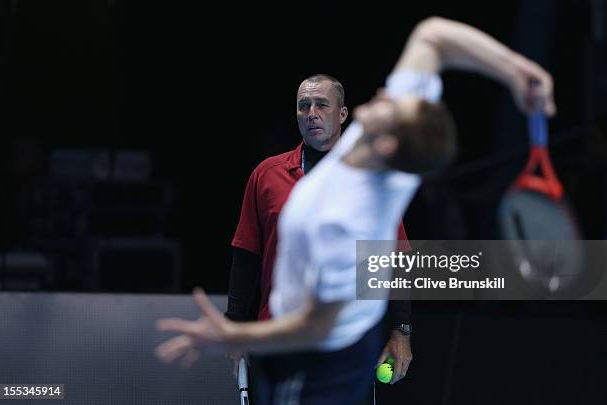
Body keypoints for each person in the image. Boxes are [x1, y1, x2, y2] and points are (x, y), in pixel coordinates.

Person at [156, 16, 555, 404]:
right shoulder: (388, 136)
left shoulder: (342, 220)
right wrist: (519, 72)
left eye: (391, 106)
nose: (385, 95)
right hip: (335, 333)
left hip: (319, 362)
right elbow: (432, 35)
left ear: (388, 145)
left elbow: (315, 326)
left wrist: (231, 336)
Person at [226, 73, 413, 385]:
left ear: (342, 114)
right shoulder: (266, 176)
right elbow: (246, 257)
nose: (311, 113)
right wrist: (234, 327)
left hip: (349, 340)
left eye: (321, 105)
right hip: (280, 338)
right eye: (304, 106)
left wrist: (401, 330)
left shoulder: (371, 180)